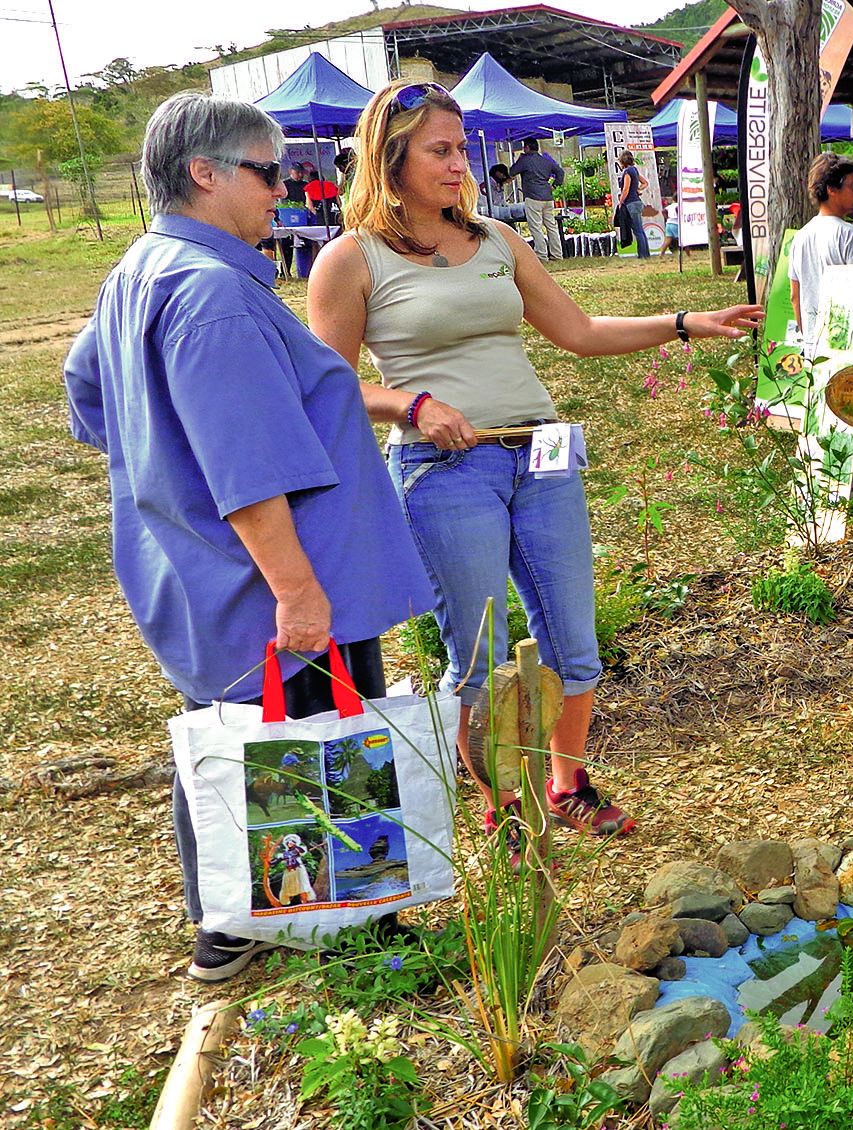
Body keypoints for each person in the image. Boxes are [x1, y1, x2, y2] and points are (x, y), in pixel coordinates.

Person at [307, 81, 760, 846]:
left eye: (461, 149)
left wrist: (684, 322)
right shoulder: (351, 260)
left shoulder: (494, 240)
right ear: (391, 158)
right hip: (442, 468)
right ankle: (502, 805)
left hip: (541, 452)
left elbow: (578, 330)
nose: (459, 165)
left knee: (573, 644)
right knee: (478, 657)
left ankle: (567, 784)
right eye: (439, 151)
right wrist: (413, 406)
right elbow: (330, 387)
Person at [62, 90, 434, 982]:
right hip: (274, 576)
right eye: (270, 173)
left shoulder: (140, 269)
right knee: (301, 740)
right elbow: (248, 466)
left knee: (233, 736)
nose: (287, 190)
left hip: (194, 570)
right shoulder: (213, 294)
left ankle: (229, 921)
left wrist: (159, 471)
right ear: (206, 174)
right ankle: (328, 926)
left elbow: (86, 392)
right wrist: (298, 588)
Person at [788, 153, 853, 344]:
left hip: (813, 345)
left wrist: (807, 337)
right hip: (845, 343)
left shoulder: (800, 237)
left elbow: (795, 296)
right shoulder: (850, 236)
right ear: (832, 189)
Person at [508, 138, 566, 261]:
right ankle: (557, 254)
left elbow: (512, 172)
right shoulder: (545, 160)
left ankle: (542, 255)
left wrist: (520, 158)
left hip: (533, 197)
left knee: (536, 227)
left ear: (527, 148)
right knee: (551, 226)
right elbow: (560, 172)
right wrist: (554, 185)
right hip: (548, 197)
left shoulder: (525, 161)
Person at [614, 150, 649, 259]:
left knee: (637, 231)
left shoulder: (627, 172)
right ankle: (645, 254)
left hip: (631, 203)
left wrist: (621, 202)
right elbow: (645, 182)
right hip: (637, 201)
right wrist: (638, 189)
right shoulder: (634, 170)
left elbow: (625, 189)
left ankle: (643, 255)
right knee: (640, 230)